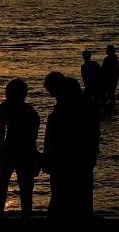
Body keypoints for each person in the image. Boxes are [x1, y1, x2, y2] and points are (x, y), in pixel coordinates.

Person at [42, 72, 100, 218]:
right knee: (81, 195)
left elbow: (56, 137)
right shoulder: (86, 104)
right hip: (83, 157)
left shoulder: (64, 109)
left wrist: (48, 158)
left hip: (67, 158)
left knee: (61, 194)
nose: (53, 97)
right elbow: (94, 133)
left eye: (52, 93)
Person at [0, 79, 41, 217]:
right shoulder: (31, 112)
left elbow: (1, 131)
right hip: (24, 151)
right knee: (25, 188)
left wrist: (0, 150)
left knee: (2, 186)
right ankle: (25, 215)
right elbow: (32, 137)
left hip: (10, 149)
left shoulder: (5, 107)